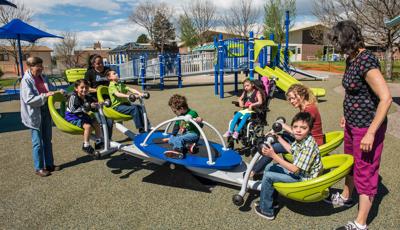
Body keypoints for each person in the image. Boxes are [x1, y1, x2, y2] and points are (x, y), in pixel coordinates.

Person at [325, 21, 392, 230]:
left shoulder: (366, 61)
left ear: (346, 38)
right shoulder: (351, 59)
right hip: (352, 124)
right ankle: (347, 196)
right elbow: (355, 92)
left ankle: (360, 224)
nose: (335, 44)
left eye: (336, 40)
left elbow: (386, 98)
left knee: (365, 173)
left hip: (367, 129)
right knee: (350, 164)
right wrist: (347, 115)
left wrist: (371, 133)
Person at [254, 112, 322, 220]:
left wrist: (273, 155)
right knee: (269, 167)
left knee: (268, 176)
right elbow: (292, 150)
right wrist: (278, 137)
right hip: (300, 173)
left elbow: (295, 169)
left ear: (309, 129)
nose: (298, 130)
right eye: (295, 127)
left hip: (304, 179)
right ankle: (271, 201)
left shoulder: (309, 146)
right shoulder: (303, 139)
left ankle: (266, 211)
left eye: (303, 128)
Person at [252, 84, 324, 176]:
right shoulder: (306, 107)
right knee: (281, 136)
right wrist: (276, 131)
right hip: (306, 139)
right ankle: (262, 166)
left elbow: (299, 132)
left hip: (311, 143)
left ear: (302, 96)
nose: (292, 101)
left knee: (273, 147)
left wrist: (282, 125)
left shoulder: (310, 110)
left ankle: (255, 171)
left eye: (293, 98)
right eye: (290, 99)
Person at [20, 57, 61, 177]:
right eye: (38, 66)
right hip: (34, 113)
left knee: (47, 140)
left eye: (41, 66)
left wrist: (58, 91)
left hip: (46, 111)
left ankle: (49, 164)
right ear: (31, 67)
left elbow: (51, 89)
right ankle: (39, 168)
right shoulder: (26, 80)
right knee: (37, 142)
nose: (41, 69)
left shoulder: (43, 77)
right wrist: (45, 96)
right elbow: (29, 99)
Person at [65, 79, 103, 155]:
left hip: (82, 115)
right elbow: (72, 109)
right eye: (82, 87)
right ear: (76, 88)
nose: (84, 89)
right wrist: (86, 107)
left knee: (97, 123)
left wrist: (97, 103)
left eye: (86, 87)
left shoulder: (87, 96)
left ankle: (98, 142)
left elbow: (92, 103)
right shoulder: (73, 96)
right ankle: (86, 145)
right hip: (72, 116)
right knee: (88, 127)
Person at [163, 94, 203, 159]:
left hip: (193, 135)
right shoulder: (180, 116)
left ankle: (178, 152)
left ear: (181, 109)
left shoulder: (192, 113)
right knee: (174, 139)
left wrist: (199, 120)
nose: (174, 112)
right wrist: (173, 136)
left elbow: (200, 125)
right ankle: (189, 146)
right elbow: (176, 126)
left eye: (175, 111)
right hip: (185, 136)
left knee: (179, 139)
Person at [84, 54, 113, 138]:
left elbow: (114, 81)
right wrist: (98, 90)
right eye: (98, 63)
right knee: (100, 122)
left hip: (106, 100)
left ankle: (108, 140)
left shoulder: (108, 71)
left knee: (109, 121)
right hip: (95, 100)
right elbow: (86, 88)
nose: (101, 65)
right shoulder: (89, 73)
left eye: (101, 63)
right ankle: (101, 140)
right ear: (93, 64)